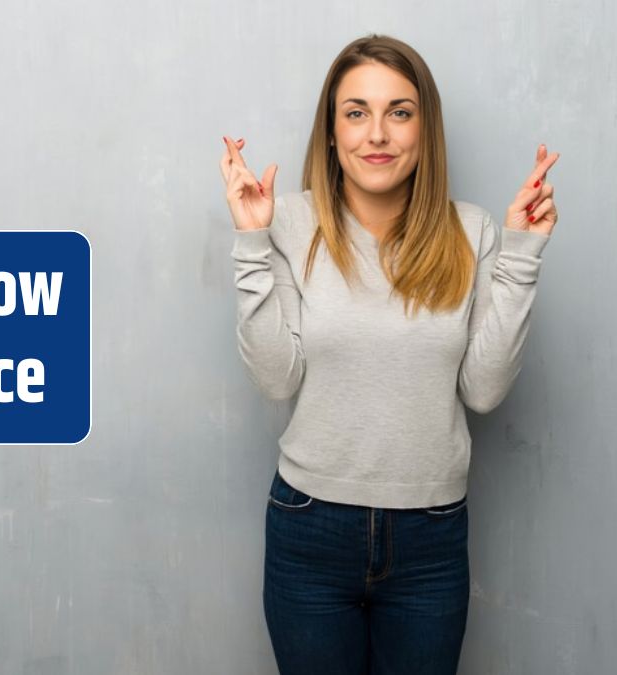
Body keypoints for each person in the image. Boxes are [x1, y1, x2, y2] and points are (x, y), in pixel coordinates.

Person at [219, 34, 560, 674]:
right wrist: (251, 243)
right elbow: (275, 378)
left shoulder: (474, 231)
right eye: (356, 112)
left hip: (431, 537)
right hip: (310, 528)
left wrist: (521, 255)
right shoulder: (288, 222)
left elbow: (483, 391)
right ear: (330, 132)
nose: (377, 133)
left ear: (425, 132)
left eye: (400, 112)